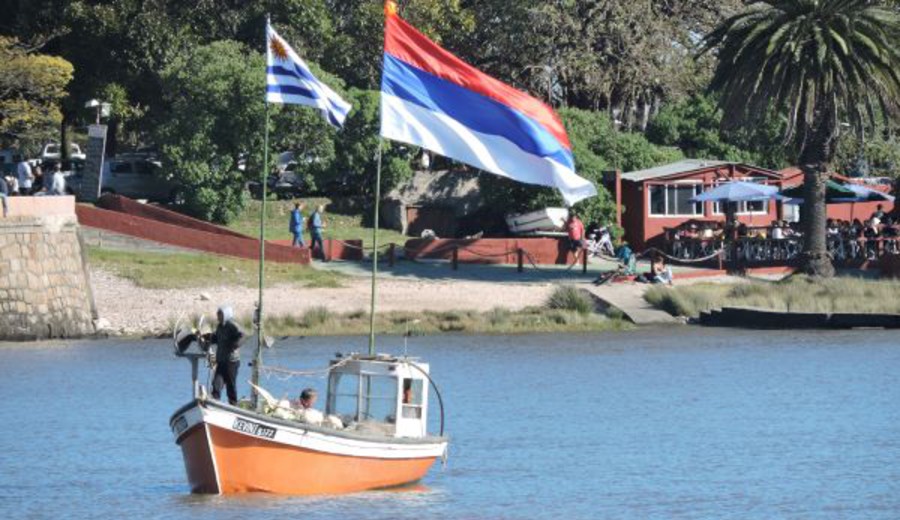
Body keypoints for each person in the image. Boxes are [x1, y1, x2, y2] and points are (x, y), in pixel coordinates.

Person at [203, 305, 245, 405]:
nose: (218, 316)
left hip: (232, 361)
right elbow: (217, 338)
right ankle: (214, 403)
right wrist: (208, 337)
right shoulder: (219, 327)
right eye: (218, 314)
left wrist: (234, 344)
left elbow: (242, 335)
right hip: (221, 360)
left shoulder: (232, 325)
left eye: (220, 314)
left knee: (230, 385)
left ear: (226, 314)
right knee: (216, 383)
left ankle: (233, 404)